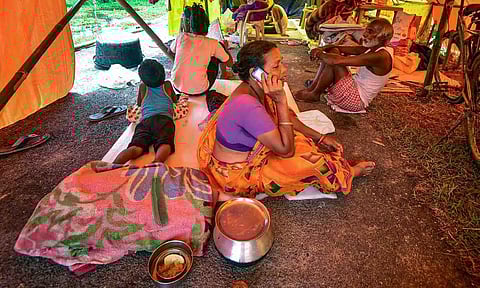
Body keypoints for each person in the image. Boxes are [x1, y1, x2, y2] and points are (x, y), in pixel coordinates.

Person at [197, 40, 376, 202]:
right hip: (237, 175)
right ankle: (350, 173)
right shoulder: (247, 104)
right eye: (276, 66)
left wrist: (320, 138)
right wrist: (281, 100)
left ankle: (334, 163)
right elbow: (286, 151)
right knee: (312, 164)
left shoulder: (252, 90)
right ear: (256, 74)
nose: (284, 69)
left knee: (301, 139)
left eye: (281, 62)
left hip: (248, 155)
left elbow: (287, 118)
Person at [295, 18, 394, 113]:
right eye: (366, 30)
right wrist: (324, 48)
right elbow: (346, 49)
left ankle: (315, 93)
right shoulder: (374, 48)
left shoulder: (380, 56)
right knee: (333, 52)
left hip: (356, 101)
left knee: (335, 62)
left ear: (383, 38)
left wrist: (319, 53)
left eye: (370, 32)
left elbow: (337, 61)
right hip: (354, 90)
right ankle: (313, 88)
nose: (365, 34)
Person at [113, 59, 176, 164]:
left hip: (145, 121)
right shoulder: (167, 85)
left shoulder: (143, 87)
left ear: (142, 78)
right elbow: (175, 100)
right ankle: (157, 161)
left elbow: (139, 103)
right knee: (164, 143)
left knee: (135, 147)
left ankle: (113, 165)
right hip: (164, 119)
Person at [169, 3, 233, 96]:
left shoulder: (181, 37)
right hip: (200, 90)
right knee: (217, 53)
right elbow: (229, 63)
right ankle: (224, 74)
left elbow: (170, 52)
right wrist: (224, 47)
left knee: (207, 54)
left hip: (177, 86)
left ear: (190, 25)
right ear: (207, 26)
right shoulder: (213, 43)